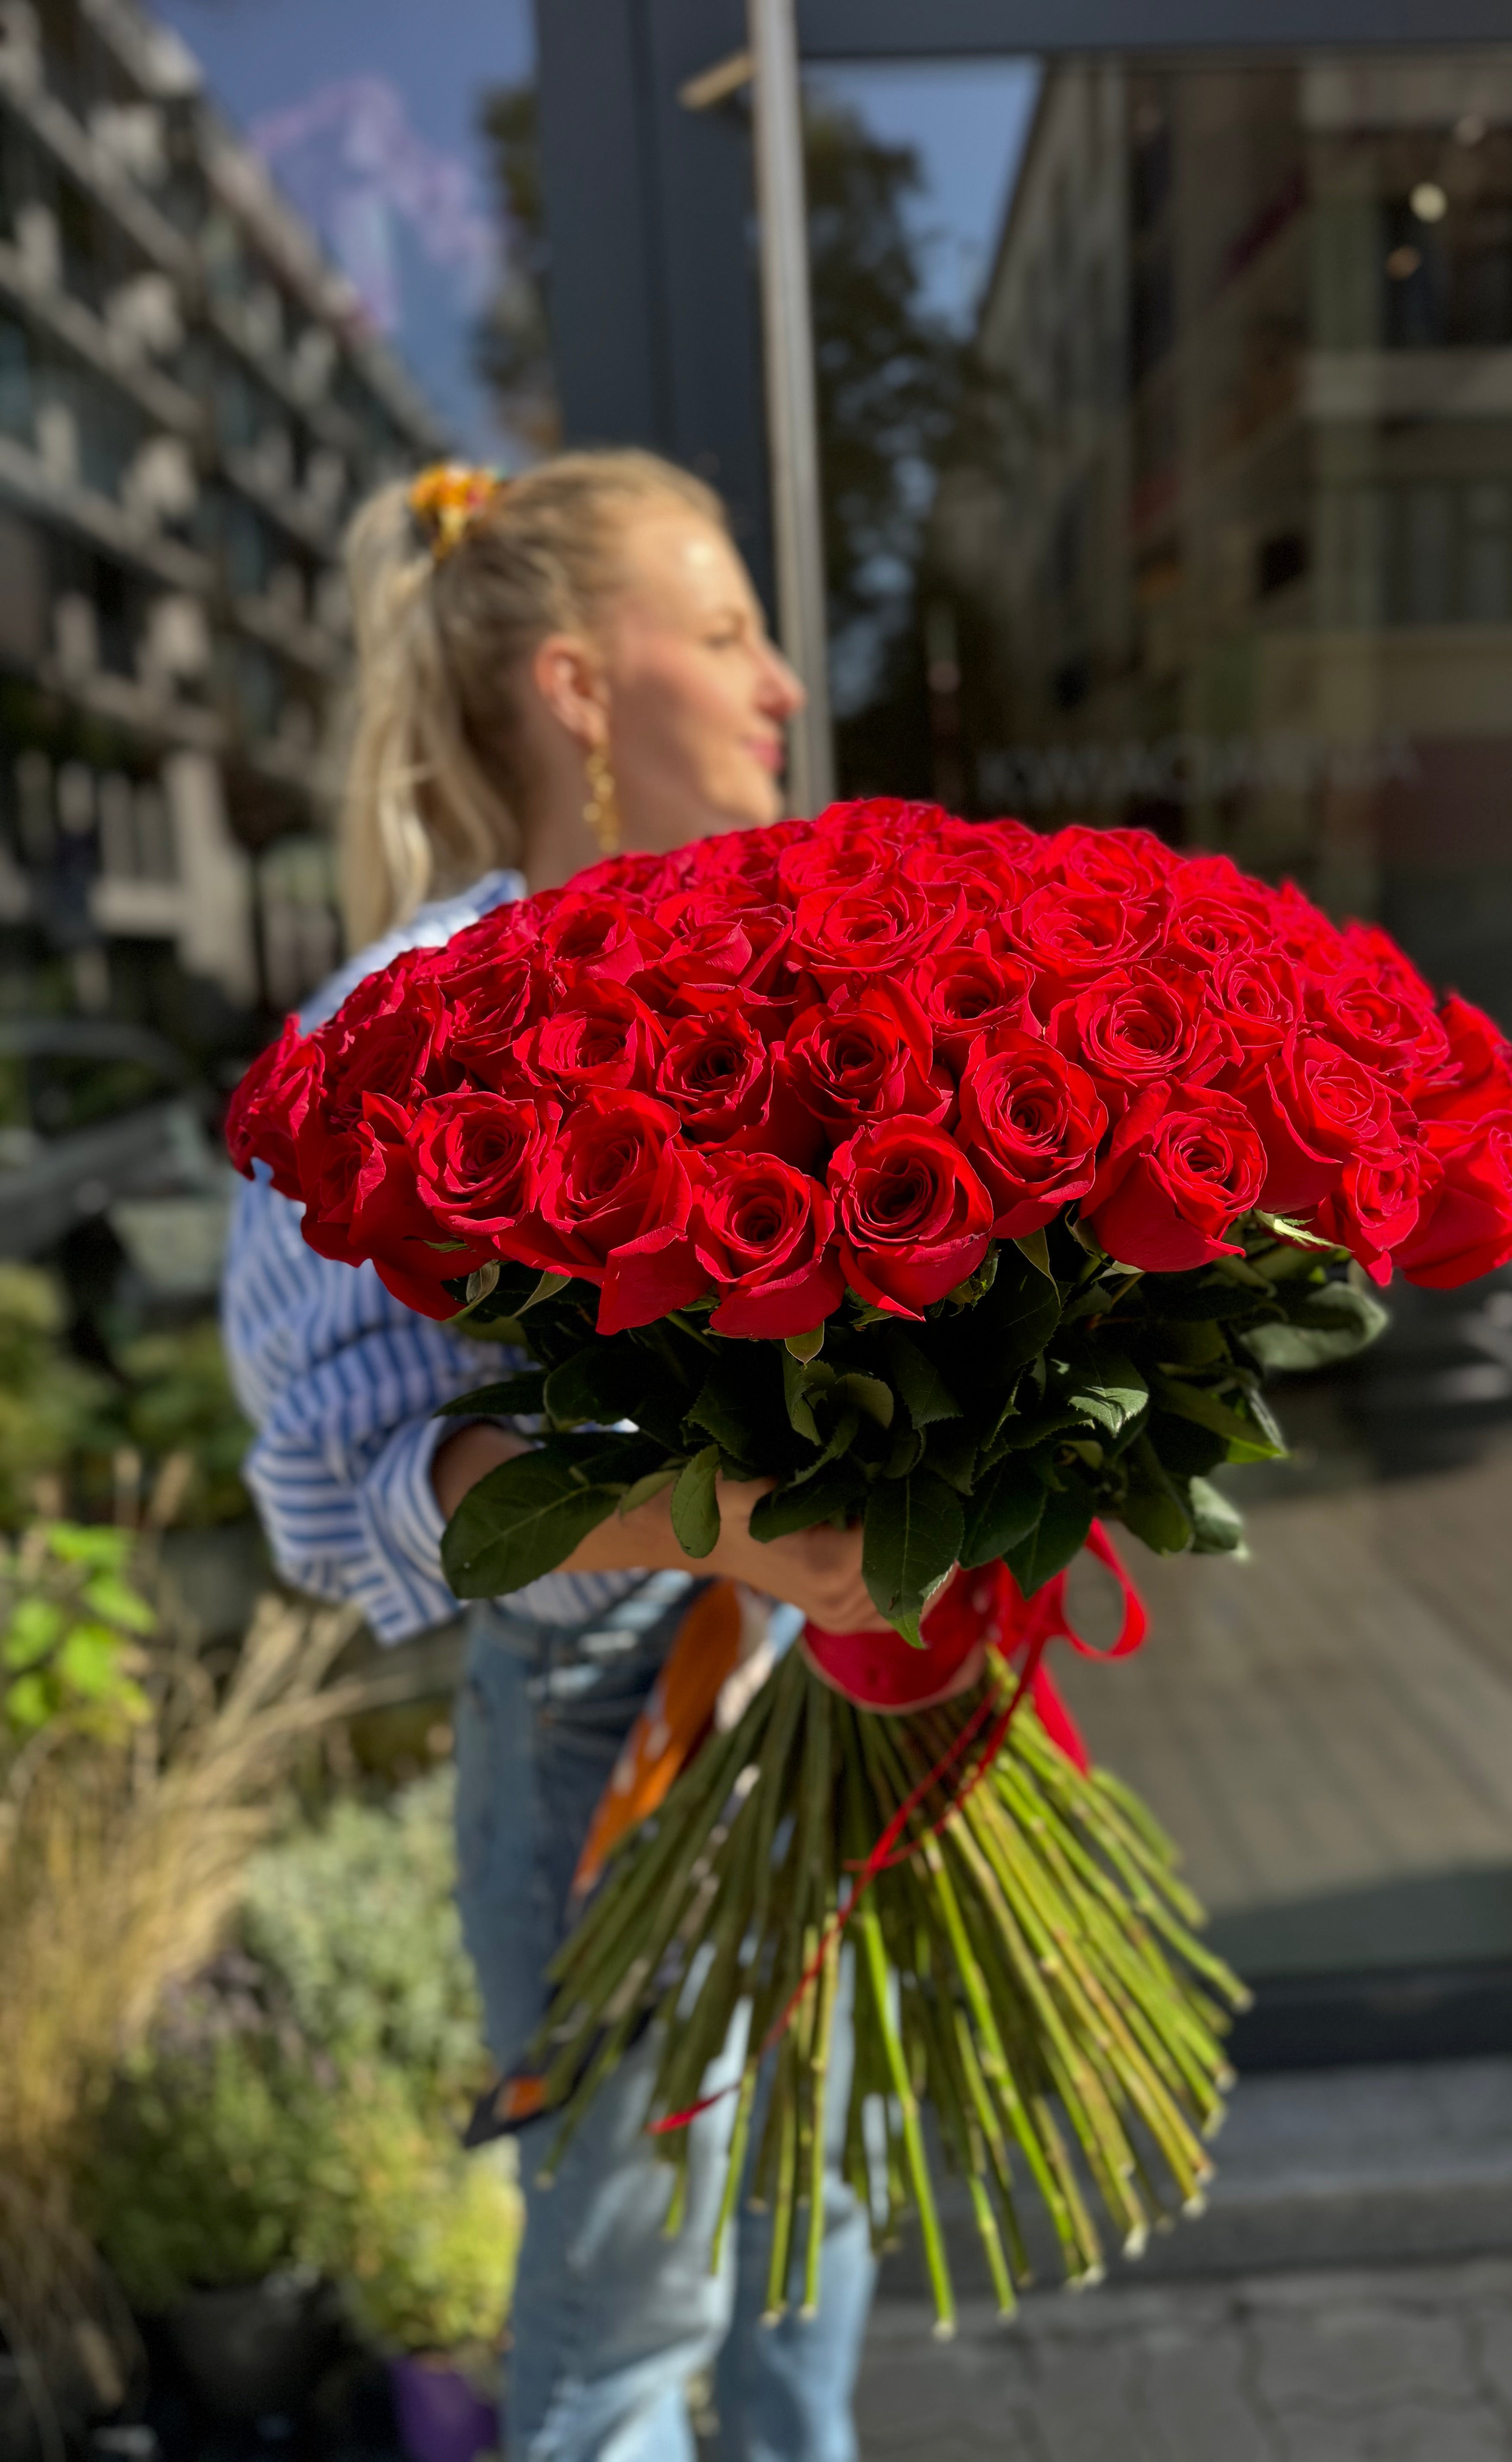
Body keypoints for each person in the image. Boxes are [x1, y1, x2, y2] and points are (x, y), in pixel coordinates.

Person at [222, 451, 884, 2462]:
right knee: (623, 2335)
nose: (783, 685)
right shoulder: (406, 1024)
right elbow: (336, 1496)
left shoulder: (792, 975)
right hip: (612, 1736)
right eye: (727, 632)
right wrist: (718, 1507)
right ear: (579, 691)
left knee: (811, 2247)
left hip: (809, 1697)